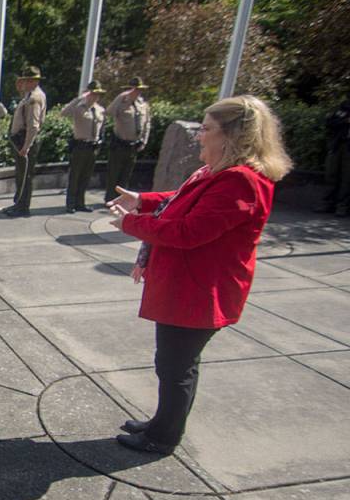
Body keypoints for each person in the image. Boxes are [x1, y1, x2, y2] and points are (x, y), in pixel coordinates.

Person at [108, 95, 292, 454]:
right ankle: (162, 424)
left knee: (176, 366)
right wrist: (142, 200)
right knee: (172, 363)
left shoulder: (240, 182)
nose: (199, 136)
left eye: (207, 129)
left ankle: (163, 437)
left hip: (200, 292)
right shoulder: (220, 173)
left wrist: (131, 223)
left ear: (233, 135)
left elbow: (189, 231)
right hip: (190, 288)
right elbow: (182, 200)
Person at [2, 66, 46, 217]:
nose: (23, 83)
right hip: (21, 140)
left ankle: (23, 207)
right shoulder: (29, 96)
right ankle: (19, 203)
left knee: (25, 175)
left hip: (25, 141)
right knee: (21, 174)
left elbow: (33, 125)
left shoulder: (35, 98)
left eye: (26, 80)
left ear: (33, 81)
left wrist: (26, 146)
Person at [61, 80, 108, 213]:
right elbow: (64, 112)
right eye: (93, 93)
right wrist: (79, 99)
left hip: (93, 147)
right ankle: (70, 204)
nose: (95, 96)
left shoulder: (100, 110)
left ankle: (80, 203)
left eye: (98, 94)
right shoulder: (78, 107)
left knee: (86, 176)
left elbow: (102, 128)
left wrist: (100, 142)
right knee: (75, 176)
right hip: (80, 145)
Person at [105, 77, 152, 205]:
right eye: (135, 89)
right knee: (114, 174)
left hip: (133, 145)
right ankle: (109, 199)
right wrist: (121, 97)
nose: (137, 92)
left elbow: (147, 123)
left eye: (139, 90)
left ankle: (121, 200)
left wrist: (144, 140)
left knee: (126, 174)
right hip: (120, 143)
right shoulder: (121, 101)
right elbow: (108, 112)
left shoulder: (143, 104)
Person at [315, 98, 350, 216]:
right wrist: (345, 121)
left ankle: (342, 206)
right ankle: (327, 204)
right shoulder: (344, 108)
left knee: (347, 178)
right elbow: (330, 123)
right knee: (331, 174)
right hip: (338, 145)